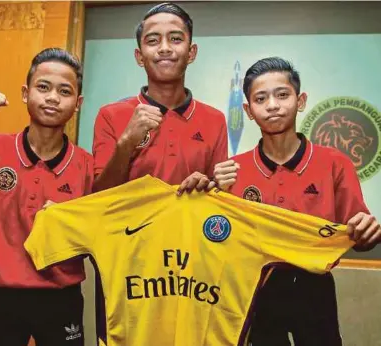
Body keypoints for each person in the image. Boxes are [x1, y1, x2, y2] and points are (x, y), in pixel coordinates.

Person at [179, 57, 380, 345]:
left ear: (301, 101)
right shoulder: (231, 171)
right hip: (254, 288)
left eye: (282, 95)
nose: (272, 105)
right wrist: (208, 196)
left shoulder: (335, 163)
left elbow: (360, 235)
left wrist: (368, 231)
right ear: (248, 110)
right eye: (261, 98)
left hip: (315, 286)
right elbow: (215, 241)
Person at [0, 48, 93, 346]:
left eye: (64, 91)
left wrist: (70, 225)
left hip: (61, 299)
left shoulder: (87, 166)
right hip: (0, 298)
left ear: (78, 103)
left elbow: (100, 237)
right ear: (26, 93)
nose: (52, 97)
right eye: (43, 87)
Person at [92, 2, 228, 192]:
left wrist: (207, 185)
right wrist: (126, 144)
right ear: (140, 57)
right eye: (153, 41)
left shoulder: (215, 120)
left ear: (191, 52)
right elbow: (99, 196)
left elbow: (218, 198)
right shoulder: (110, 115)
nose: (164, 48)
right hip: (131, 223)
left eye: (175, 39)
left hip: (188, 222)